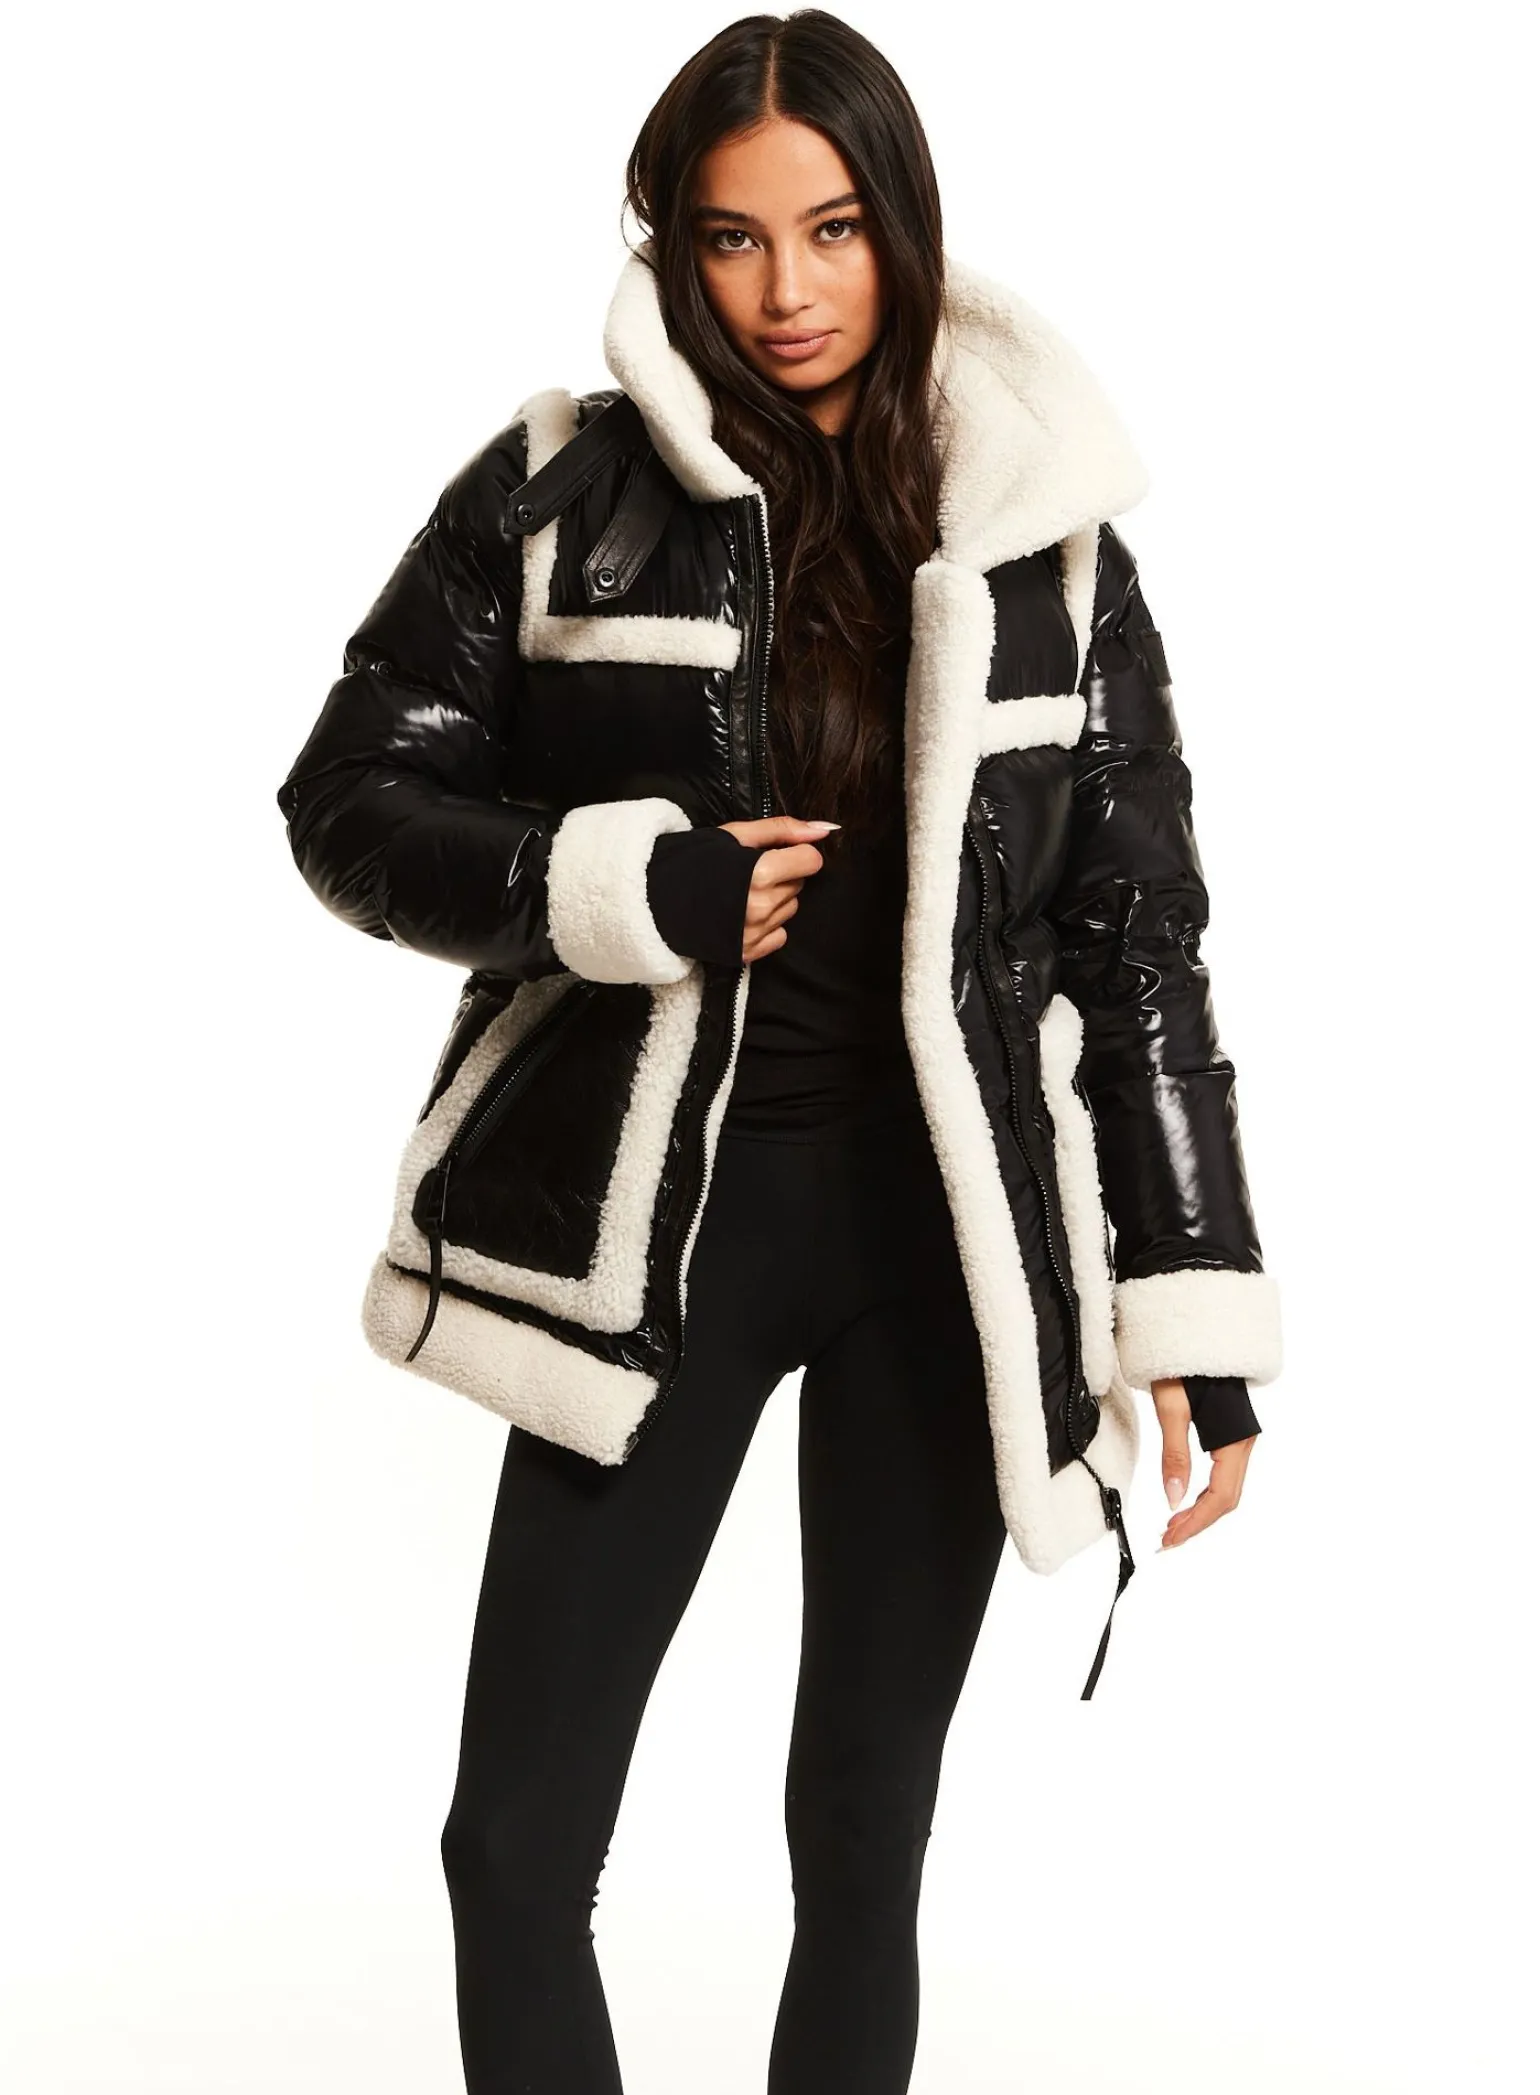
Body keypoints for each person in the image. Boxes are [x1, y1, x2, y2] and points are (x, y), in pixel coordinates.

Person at [275, 13, 1283, 2090]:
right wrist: (616, 885)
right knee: (514, 1846)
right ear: (673, 246)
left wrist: (1190, 1300)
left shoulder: (1047, 544)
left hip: (942, 1244)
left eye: (831, 230)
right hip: (655, 1236)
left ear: (901, 225)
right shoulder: (560, 493)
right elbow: (349, 802)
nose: (788, 289)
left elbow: (1137, 937)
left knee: (859, 1842)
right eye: (732, 240)